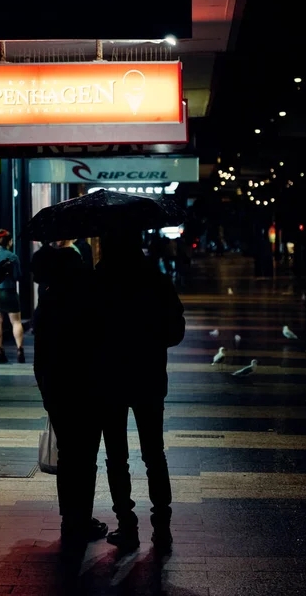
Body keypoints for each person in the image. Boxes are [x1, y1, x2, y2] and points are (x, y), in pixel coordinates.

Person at [96, 230, 185, 553]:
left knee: (116, 456)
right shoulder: (156, 279)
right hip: (148, 375)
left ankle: (127, 524)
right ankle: (162, 525)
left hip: (109, 378)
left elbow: (87, 329)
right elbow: (175, 330)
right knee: (154, 454)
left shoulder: (99, 280)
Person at [32, 244, 107, 552]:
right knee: (86, 457)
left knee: (67, 455)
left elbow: (42, 357)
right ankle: (82, 518)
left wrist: (46, 391)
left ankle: (69, 520)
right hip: (89, 389)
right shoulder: (91, 300)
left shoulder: (47, 301)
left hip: (59, 390)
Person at [0, 229, 25, 364]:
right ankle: (20, 349)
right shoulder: (13, 256)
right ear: (10, 241)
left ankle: (0, 349)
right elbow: (18, 276)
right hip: (11, 292)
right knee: (16, 322)